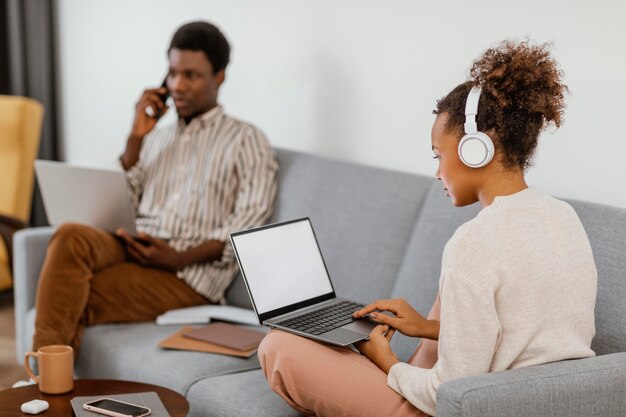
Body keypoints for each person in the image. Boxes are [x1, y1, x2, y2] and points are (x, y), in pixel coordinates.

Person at [258, 40, 597, 417]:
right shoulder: (563, 217)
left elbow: (448, 394)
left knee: (279, 348)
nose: (437, 172)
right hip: (542, 401)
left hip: (471, 408)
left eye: (439, 155)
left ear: (476, 148)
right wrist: (427, 327)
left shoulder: (474, 243)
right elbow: (523, 336)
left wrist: (385, 360)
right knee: (444, 302)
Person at [32, 21, 278, 353]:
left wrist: (177, 258)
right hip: (135, 245)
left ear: (219, 76)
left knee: (68, 294)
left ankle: (42, 382)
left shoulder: (247, 139)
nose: (177, 85)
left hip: (187, 276)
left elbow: (247, 226)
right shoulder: (157, 137)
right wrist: (135, 138)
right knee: (69, 235)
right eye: (172, 73)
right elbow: (123, 200)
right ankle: (48, 382)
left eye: (191, 75)